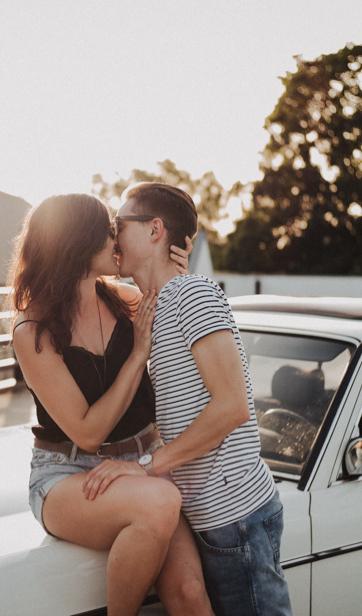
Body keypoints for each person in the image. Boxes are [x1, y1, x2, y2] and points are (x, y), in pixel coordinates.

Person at [85, 182, 293, 616]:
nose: (112, 236)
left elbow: (232, 406)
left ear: (155, 229)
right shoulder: (157, 305)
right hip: (208, 518)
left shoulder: (191, 295)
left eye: (119, 225)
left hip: (237, 516)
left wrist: (145, 468)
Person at [8, 193, 214, 616]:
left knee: (190, 592)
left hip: (139, 465)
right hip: (66, 473)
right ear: (78, 245)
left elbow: (178, 308)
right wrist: (138, 354)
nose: (116, 238)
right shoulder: (33, 331)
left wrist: (172, 263)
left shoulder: (127, 300)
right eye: (107, 231)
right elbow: (87, 432)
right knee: (160, 501)